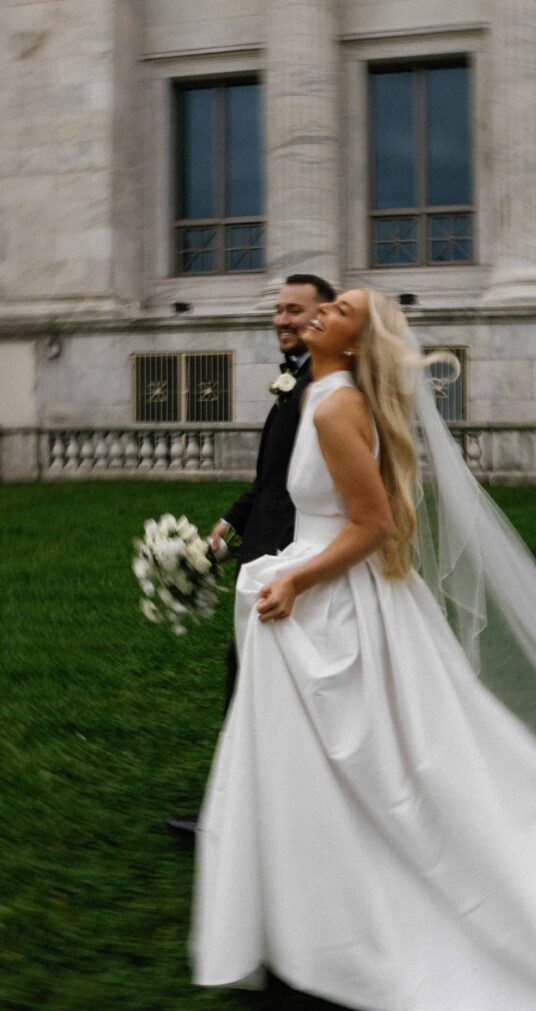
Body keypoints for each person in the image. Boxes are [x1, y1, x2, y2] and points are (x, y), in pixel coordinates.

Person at [191, 289, 536, 1011]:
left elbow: (373, 522)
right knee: (343, 767)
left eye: (340, 312)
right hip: (340, 601)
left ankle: (343, 923)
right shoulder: (326, 392)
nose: (320, 314)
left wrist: (295, 576)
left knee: (384, 766)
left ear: (355, 344)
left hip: (338, 604)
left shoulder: (332, 407)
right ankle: (313, 915)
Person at [167, 273, 335, 838]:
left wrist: (289, 568)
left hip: (291, 559)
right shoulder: (299, 378)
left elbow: (310, 487)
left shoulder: (322, 388)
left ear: (324, 316)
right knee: (251, 680)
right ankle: (253, 807)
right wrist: (228, 529)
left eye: (295, 310)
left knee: (263, 684)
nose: (282, 319)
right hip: (267, 550)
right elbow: (273, 479)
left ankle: (247, 816)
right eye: (279, 309)